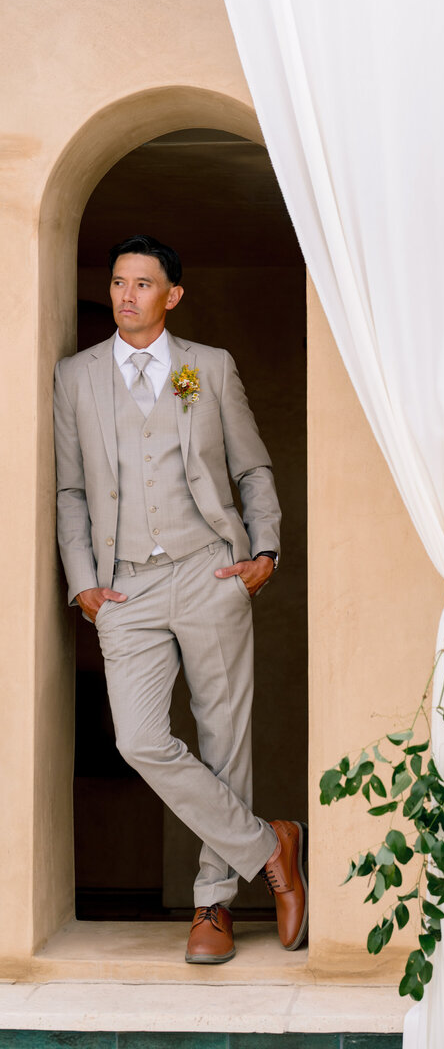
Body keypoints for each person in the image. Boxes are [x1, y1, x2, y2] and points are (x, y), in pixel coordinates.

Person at [54, 234, 308, 965]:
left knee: (223, 735)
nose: (127, 295)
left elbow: (252, 468)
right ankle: (272, 844)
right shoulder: (76, 377)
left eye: (142, 284)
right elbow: (71, 490)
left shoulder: (208, 369)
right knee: (138, 739)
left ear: (173, 295)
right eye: (118, 283)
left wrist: (265, 551)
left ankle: (213, 904)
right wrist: (83, 582)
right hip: (124, 582)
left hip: (208, 569)